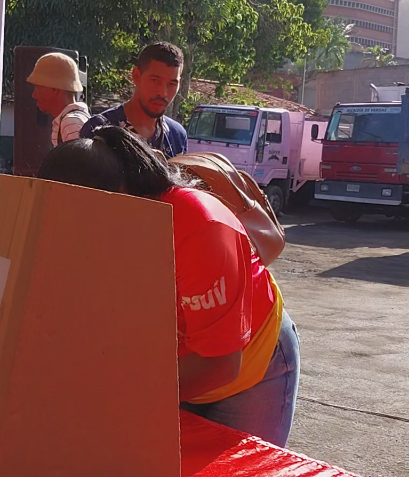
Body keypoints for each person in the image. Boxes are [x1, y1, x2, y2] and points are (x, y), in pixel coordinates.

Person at [38, 126, 299, 446]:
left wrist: (120, 398)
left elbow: (220, 363)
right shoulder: (96, 227)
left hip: (251, 367)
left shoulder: (197, 224)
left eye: (79, 220)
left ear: (120, 194)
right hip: (177, 362)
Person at [79, 42, 187, 157]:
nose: (163, 93)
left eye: (172, 84)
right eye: (155, 81)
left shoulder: (176, 136)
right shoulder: (99, 130)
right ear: (136, 76)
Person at [27, 52, 90, 147]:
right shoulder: (68, 121)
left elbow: (80, 162)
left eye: (38, 88)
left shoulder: (71, 123)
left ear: (54, 88)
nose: (34, 95)